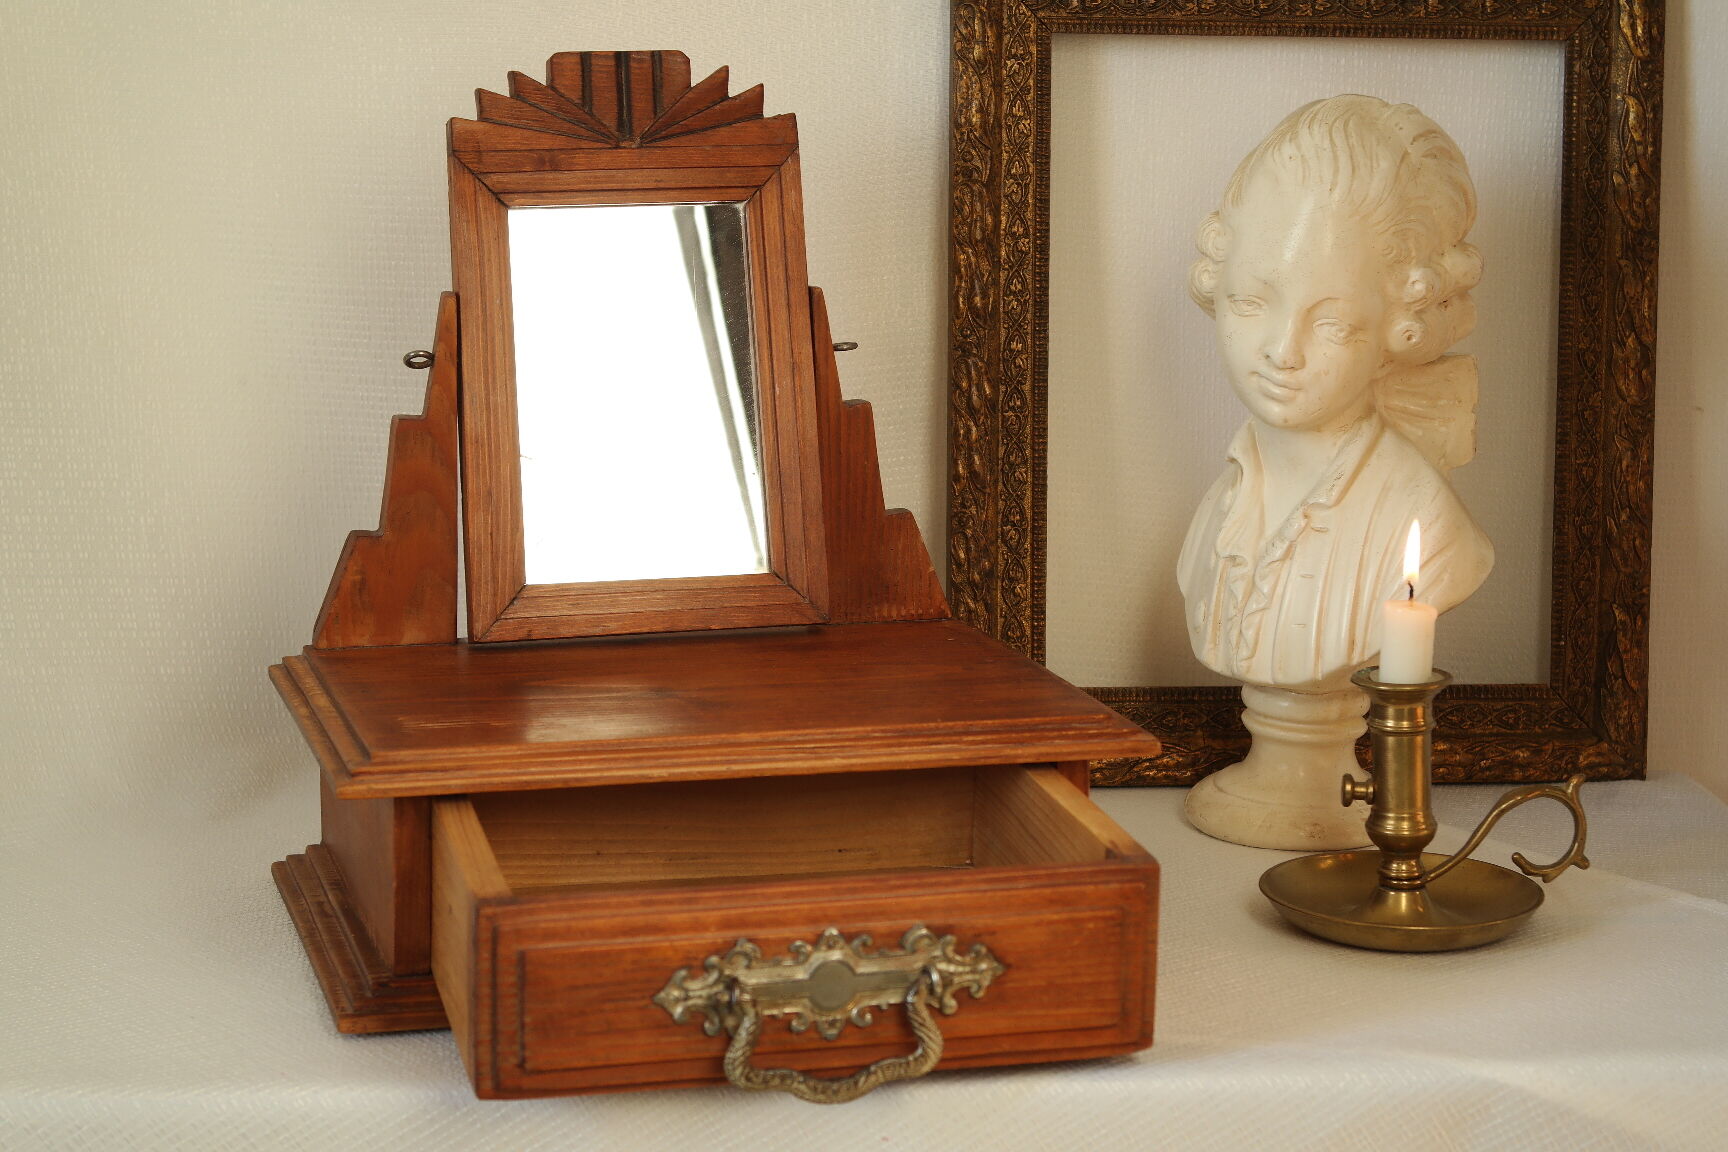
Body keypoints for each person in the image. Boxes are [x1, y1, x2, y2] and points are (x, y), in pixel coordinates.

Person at [1177, 94, 1494, 693]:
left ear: (1398, 329)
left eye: (1331, 324)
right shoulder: (1226, 498)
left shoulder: (1424, 526)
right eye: (1251, 301)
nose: (1282, 350)